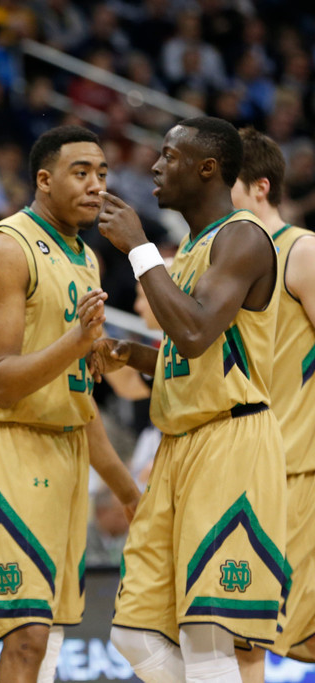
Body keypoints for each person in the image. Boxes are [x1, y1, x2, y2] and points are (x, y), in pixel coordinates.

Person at [92, 116, 288, 682]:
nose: (155, 166)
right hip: (180, 448)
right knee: (133, 632)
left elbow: (196, 332)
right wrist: (132, 354)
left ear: (208, 168)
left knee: (207, 635)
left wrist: (138, 249)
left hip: (230, 443)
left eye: (169, 156)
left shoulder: (243, 236)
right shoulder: (199, 246)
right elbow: (194, 355)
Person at [0, 124, 139, 682]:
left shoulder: (86, 257)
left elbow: (76, 394)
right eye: (81, 173)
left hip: (64, 451)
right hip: (7, 446)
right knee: (26, 634)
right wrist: (75, 343)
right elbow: (1, 382)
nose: (96, 185)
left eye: (103, 174)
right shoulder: (3, 249)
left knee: (51, 632)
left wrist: (129, 491)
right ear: (44, 179)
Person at [230, 127, 315, 678]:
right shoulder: (226, 259)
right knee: (248, 633)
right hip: (244, 468)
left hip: (297, 470)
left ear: (260, 188)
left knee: (260, 632)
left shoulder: (303, 252)